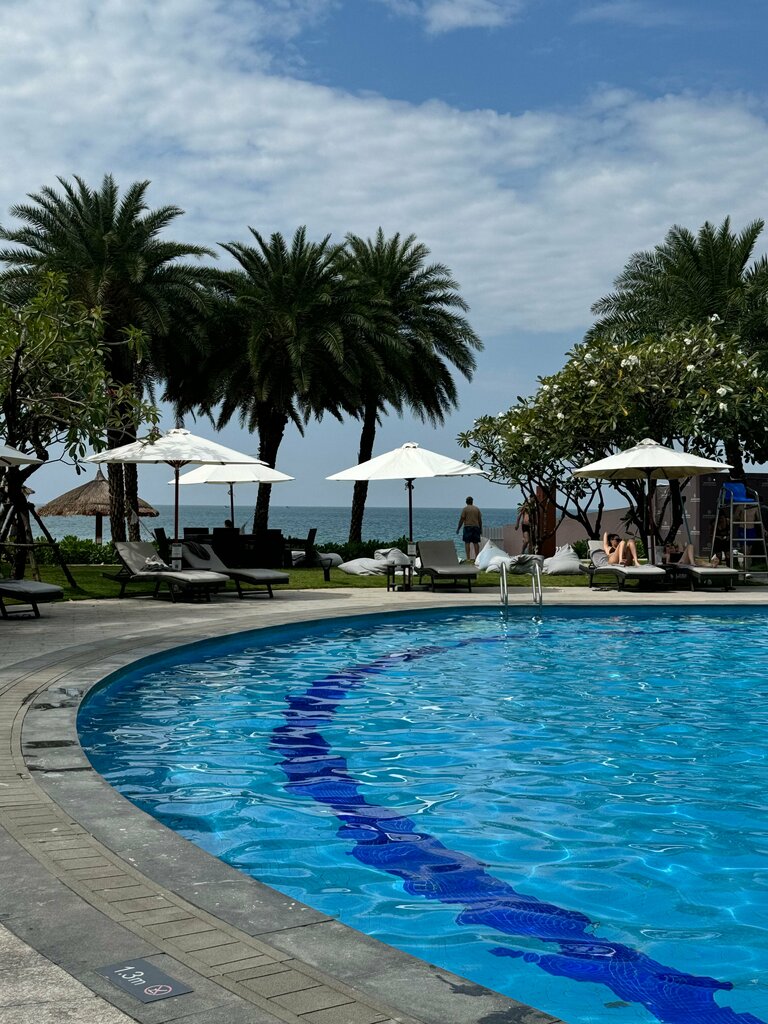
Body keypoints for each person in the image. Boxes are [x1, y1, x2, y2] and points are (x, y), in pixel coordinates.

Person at [456, 496, 483, 561]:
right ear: (472, 502)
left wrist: (458, 528)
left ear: (466, 502)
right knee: (476, 543)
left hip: (467, 527)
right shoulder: (477, 509)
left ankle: (468, 558)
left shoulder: (465, 509)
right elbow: (480, 520)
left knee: (467, 542)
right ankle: (476, 558)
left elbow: (462, 519)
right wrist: (480, 528)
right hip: (476, 527)